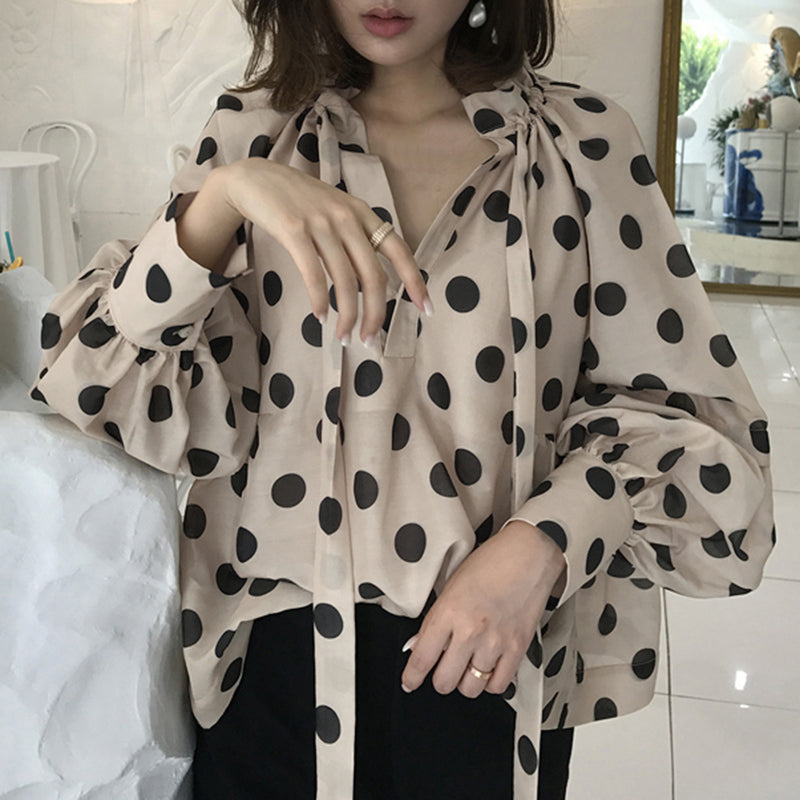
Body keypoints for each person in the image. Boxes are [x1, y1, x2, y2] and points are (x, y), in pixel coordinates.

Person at [30, 1, 775, 798]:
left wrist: (545, 543)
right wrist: (223, 197)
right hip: (272, 672)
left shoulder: (581, 146)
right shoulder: (256, 134)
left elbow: (700, 434)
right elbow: (101, 377)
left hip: (490, 659)